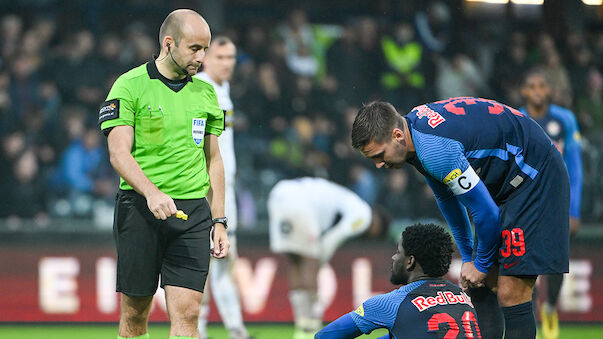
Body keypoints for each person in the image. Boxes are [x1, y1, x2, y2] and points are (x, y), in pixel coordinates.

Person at [351, 98, 570, 339]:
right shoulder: (416, 135)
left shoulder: (434, 149)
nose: (379, 165)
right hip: (507, 183)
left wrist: (481, 263)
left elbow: (486, 213)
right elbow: (448, 200)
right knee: (481, 286)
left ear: (397, 135)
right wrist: (468, 257)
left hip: (535, 176)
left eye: (380, 155)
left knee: (511, 292)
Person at [99, 9, 229, 339]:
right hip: (141, 210)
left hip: (193, 215)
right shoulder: (128, 86)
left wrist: (219, 220)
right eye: (195, 48)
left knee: (188, 313)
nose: (202, 57)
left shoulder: (206, 93)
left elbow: (213, 160)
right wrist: (151, 192)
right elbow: (118, 152)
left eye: (206, 49)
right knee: (134, 312)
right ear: (169, 43)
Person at [268, 177, 388, 339]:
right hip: (300, 202)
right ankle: (311, 324)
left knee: (295, 262)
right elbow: (334, 238)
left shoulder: (349, 200)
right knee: (309, 262)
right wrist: (319, 260)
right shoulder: (364, 215)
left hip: (278, 195)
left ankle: (302, 325)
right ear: (377, 223)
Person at [315, 223, 482, 339]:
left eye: (398, 252)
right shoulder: (462, 297)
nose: (394, 257)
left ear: (410, 261)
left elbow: (325, 336)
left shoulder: (392, 303)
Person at [194, 36, 252, 339]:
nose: (227, 63)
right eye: (220, 57)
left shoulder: (222, 89)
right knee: (204, 256)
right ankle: (199, 329)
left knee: (226, 255)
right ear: (205, 58)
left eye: (231, 57)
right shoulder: (201, 88)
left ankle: (235, 328)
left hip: (226, 185)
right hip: (209, 186)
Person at [519, 69, 583, 339]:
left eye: (541, 85)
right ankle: (531, 310)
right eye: (531, 85)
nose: (536, 90)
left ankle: (551, 307)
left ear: (549, 90)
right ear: (523, 91)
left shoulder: (565, 119)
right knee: (526, 260)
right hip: (527, 200)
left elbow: (575, 166)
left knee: (555, 260)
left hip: (557, 198)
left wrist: (574, 209)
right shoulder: (517, 119)